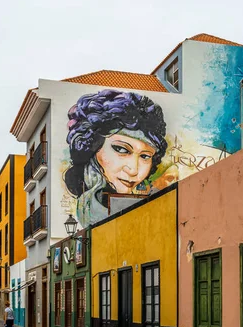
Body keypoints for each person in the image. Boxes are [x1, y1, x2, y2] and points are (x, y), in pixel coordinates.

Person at [64, 89, 168, 227]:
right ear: (93, 148)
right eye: (121, 150)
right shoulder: (90, 207)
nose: (133, 170)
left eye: (145, 156)